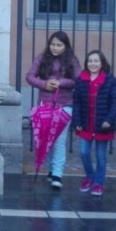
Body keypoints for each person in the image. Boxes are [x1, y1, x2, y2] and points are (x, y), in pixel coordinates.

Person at [25, 31, 81, 190]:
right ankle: (51, 168)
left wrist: (60, 82)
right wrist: (44, 84)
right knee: (45, 140)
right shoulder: (41, 59)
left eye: (59, 45)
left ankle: (57, 173)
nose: (55, 48)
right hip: (45, 106)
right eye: (53, 44)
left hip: (65, 105)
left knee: (59, 141)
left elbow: (78, 80)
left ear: (65, 46)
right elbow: (29, 76)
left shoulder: (72, 61)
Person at [72, 50, 116, 197]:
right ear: (87, 63)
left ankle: (99, 182)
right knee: (83, 152)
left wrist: (109, 120)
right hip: (86, 124)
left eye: (96, 61)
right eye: (90, 61)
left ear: (102, 63)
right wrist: (77, 121)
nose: (93, 64)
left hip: (102, 125)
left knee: (101, 156)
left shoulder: (110, 80)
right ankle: (90, 176)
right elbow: (77, 103)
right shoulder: (81, 80)